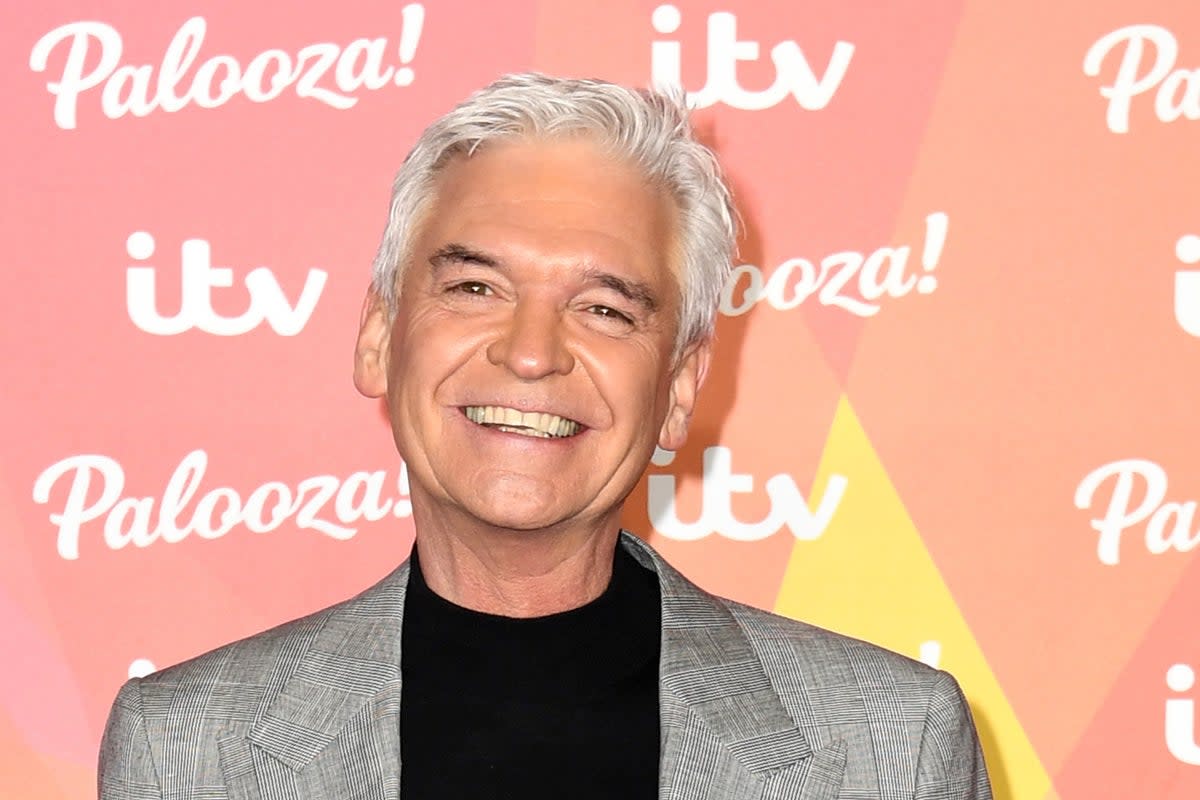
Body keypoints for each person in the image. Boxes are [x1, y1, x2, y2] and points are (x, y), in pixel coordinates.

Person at [99, 73, 992, 800]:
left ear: (679, 387)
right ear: (378, 337)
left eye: (604, 309)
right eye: (475, 288)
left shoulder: (891, 749)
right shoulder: (187, 749)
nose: (531, 355)